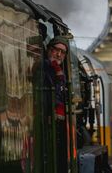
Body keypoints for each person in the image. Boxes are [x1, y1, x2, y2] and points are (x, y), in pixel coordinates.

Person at [43, 36, 68, 173]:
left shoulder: (59, 72)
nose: (59, 54)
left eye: (62, 52)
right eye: (56, 50)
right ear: (49, 50)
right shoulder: (44, 67)